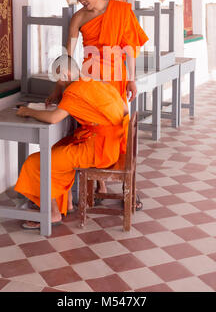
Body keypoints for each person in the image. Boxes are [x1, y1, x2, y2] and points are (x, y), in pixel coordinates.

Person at [45, 0, 148, 196]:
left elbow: (129, 47)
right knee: (90, 130)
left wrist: (131, 78)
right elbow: (68, 56)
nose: (83, 1)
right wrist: (58, 88)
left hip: (116, 78)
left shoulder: (120, 10)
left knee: (120, 130)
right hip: (90, 77)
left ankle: (128, 187)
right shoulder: (78, 18)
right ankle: (99, 183)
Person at [14, 54, 129, 229]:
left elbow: (53, 118)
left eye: (58, 80)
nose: (58, 84)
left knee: (38, 162)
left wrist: (27, 112)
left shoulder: (75, 90)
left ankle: (52, 213)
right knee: (61, 146)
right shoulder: (92, 81)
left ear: (67, 74)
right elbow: (124, 107)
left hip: (99, 150)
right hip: (111, 145)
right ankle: (65, 204)